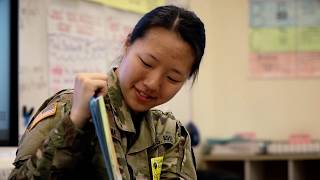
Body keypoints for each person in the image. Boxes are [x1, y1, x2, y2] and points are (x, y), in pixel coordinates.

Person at [9, 5, 205, 180]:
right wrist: (74, 123)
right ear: (127, 45)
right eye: (146, 63)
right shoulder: (70, 108)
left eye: (172, 78)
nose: (153, 84)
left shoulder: (170, 134)